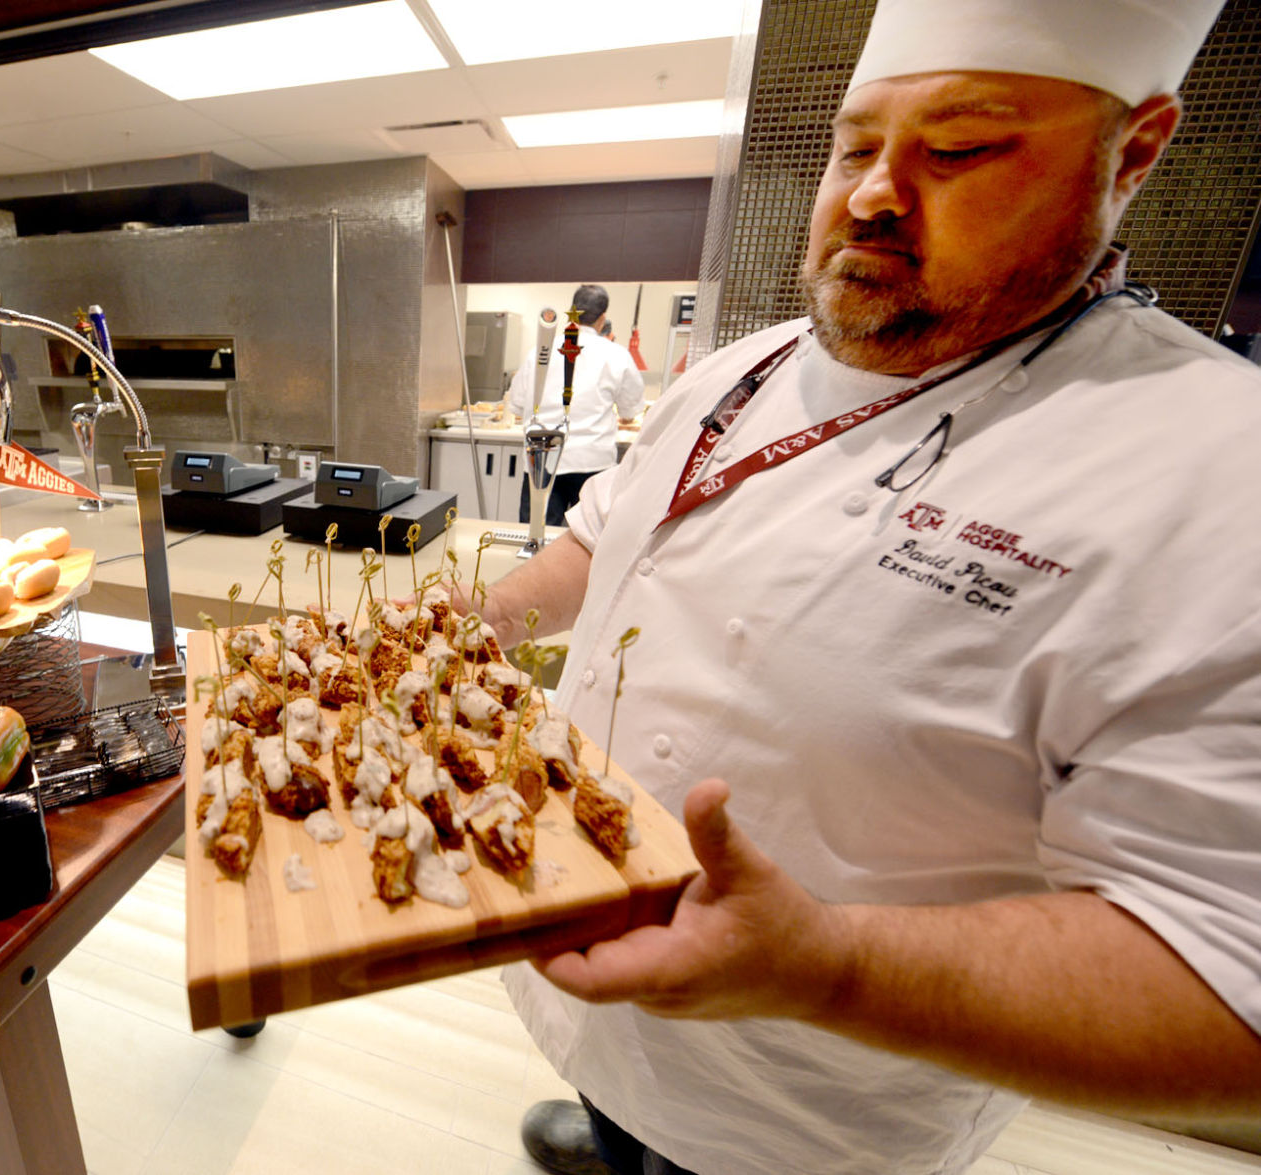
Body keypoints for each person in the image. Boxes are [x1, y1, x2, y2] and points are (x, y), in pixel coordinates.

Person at [468, 2, 1261, 1173]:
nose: (874, 195)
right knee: (619, 1112)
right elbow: (601, 542)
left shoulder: (1219, 468)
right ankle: (614, 1125)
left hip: (813, 1096)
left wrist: (828, 963)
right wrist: (464, 623)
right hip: (592, 973)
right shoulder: (738, 370)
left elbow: (1229, 978)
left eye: (957, 150)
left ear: (1132, 152)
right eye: (854, 146)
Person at [506, 284, 644, 526]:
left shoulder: (540, 350)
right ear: (602, 319)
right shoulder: (617, 355)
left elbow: (516, 405)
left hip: (542, 459)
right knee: (584, 542)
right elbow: (630, 411)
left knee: (537, 537)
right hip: (592, 463)